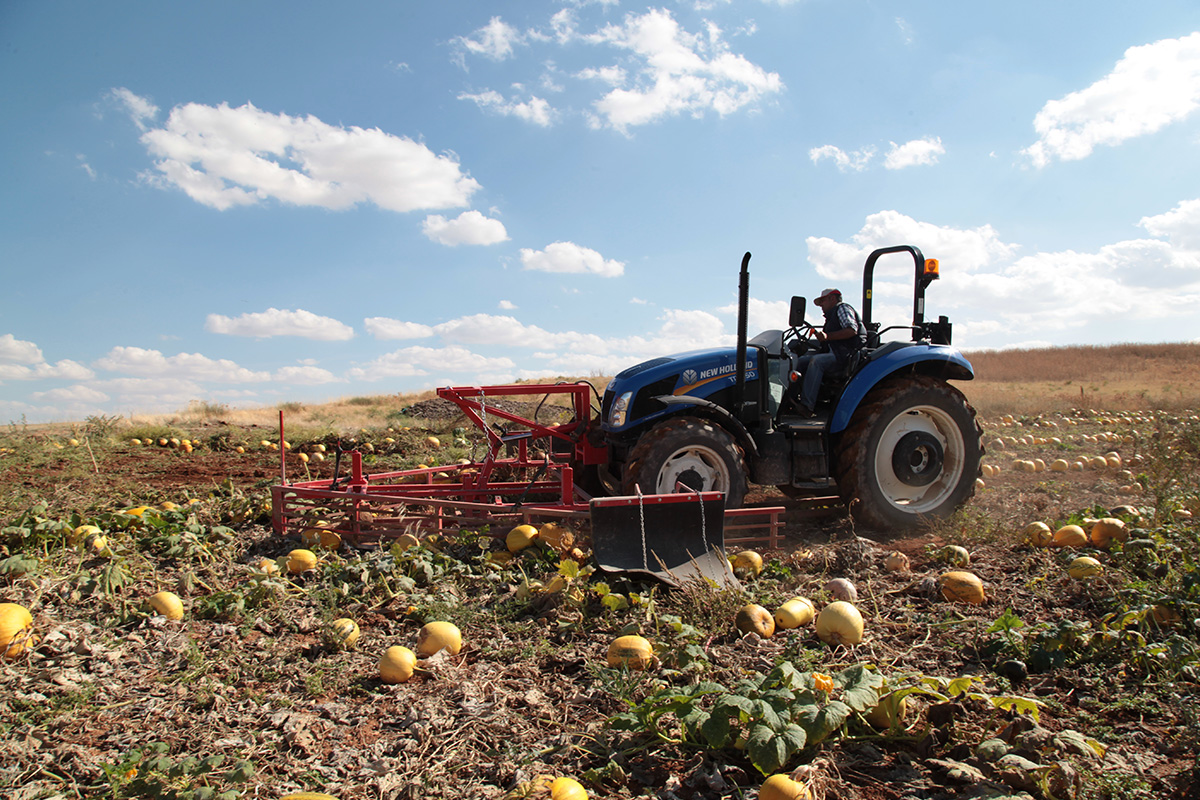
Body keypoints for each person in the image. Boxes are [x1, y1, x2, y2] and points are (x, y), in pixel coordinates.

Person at [786, 288, 866, 416]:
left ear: (832, 298)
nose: (821, 305)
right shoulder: (831, 317)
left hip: (845, 356)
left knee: (816, 361)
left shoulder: (842, 309)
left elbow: (852, 330)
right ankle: (790, 401)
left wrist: (827, 336)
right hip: (836, 353)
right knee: (799, 361)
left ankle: (807, 406)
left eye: (822, 301)